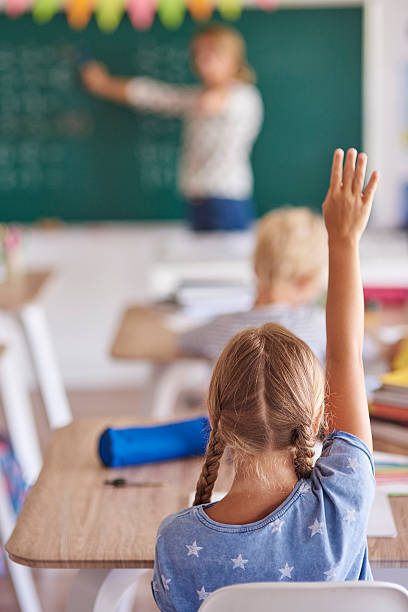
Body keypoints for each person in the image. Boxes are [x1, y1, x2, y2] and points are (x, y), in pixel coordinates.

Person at [151, 148, 380, 611]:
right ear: (319, 412)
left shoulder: (177, 543)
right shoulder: (343, 501)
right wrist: (343, 240)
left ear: (214, 416)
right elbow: (344, 354)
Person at [80, 24, 263, 232]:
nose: (202, 61)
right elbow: (149, 95)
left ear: (234, 58)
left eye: (213, 52)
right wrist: (104, 85)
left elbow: (209, 103)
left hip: (227, 199)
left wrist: (180, 99)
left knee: (226, 263)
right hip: (196, 198)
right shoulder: (195, 97)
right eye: (198, 53)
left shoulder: (244, 96)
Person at [179, 206, 328, 364]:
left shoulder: (222, 327)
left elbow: (176, 340)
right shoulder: (321, 328)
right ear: (307, 279)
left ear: (256, 267)